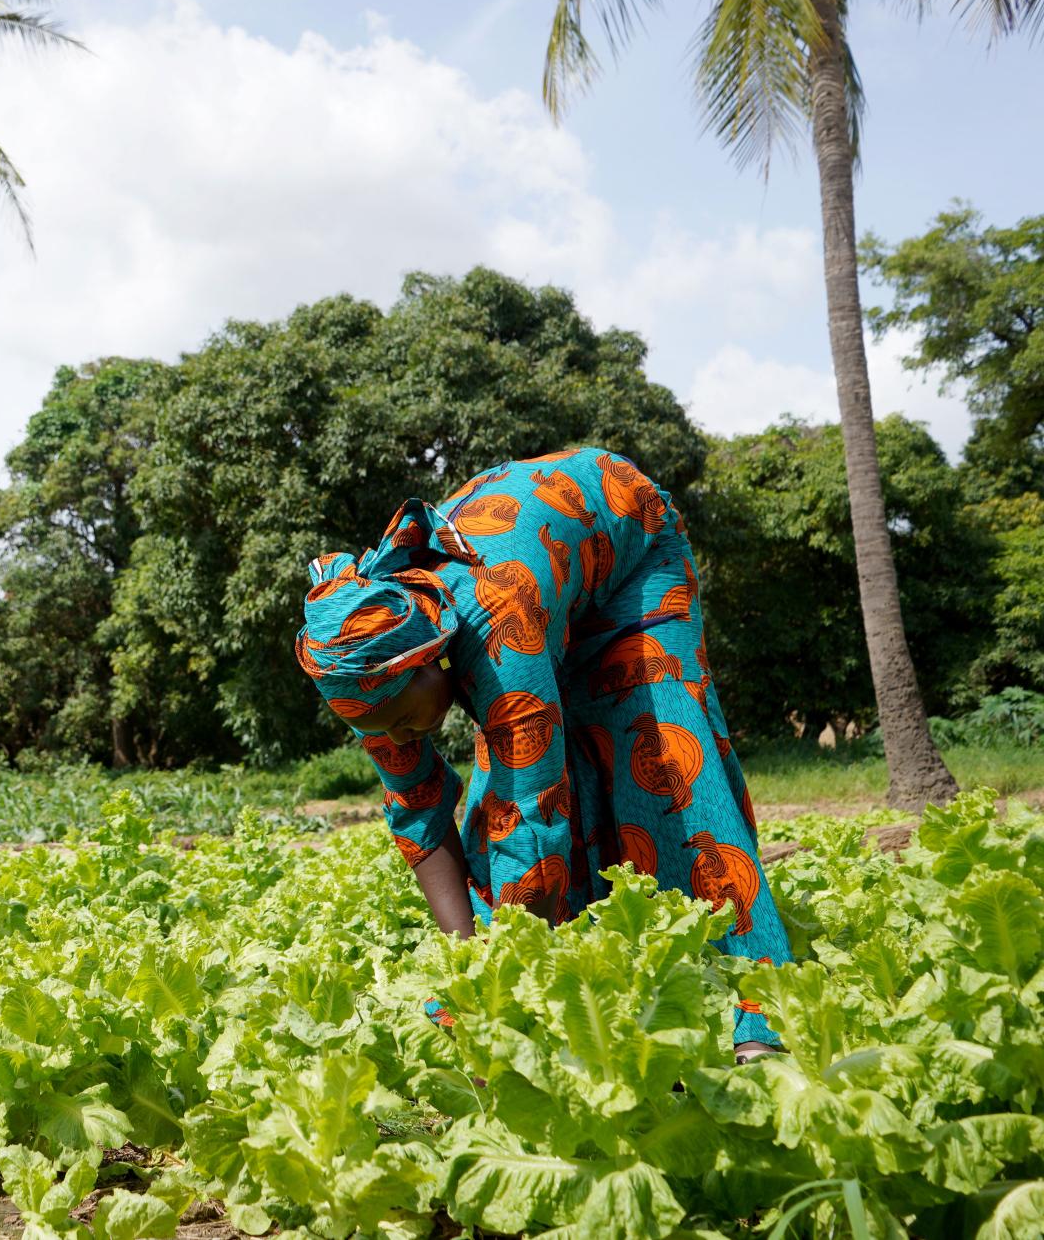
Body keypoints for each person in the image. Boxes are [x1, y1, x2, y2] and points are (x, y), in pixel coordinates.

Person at [297, 447, 789, 1059]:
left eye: (401, 720)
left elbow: (533, 803)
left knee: (662, 758)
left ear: (432, 661)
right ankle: (608, 968)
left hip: (630, 546)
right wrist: (471, 965)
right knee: (507, 806)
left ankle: (752, 1001)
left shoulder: (495, 617)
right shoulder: (363, 669)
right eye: (375, 731)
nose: (396, 738)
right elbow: (415, 813)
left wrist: (509, 977)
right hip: (547, 576)